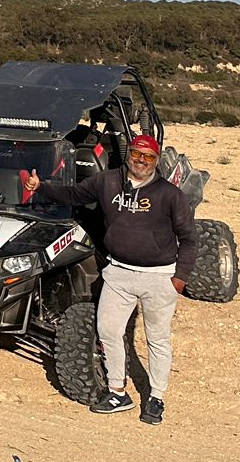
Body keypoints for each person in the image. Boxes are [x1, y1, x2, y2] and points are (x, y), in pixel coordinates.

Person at [24, 133, 199, 423]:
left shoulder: (170, 195)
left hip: (159, 277)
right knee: (108, 332)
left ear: (156, 161)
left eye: (148, 157)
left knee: (157, 340)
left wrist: (179, 279)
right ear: (128, 153)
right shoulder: (106, 182)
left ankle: (156, 397)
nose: (140, 161)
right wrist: (41, 187)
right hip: (118, 273)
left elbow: (189, 239)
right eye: (136, 154)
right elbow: (74, 195)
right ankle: (118, 391)